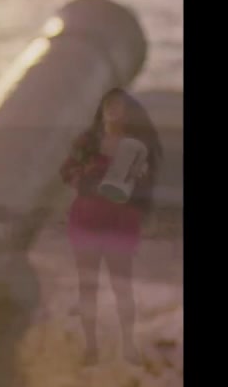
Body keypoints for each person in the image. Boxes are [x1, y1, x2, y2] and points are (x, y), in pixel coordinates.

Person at [59, 87, 161, 365]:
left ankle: (128, 345)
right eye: (108, 104)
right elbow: (66, 171)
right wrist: (85, 180)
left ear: (128, 111)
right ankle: (91, 347)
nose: (113, 109)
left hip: (120, 221)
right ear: (102, 109)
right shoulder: (88, 141)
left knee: (122, 285)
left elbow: (145, 185)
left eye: (119, 105)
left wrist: (139, 182)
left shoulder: (136, 144)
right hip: (87, 219)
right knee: (87, 285)